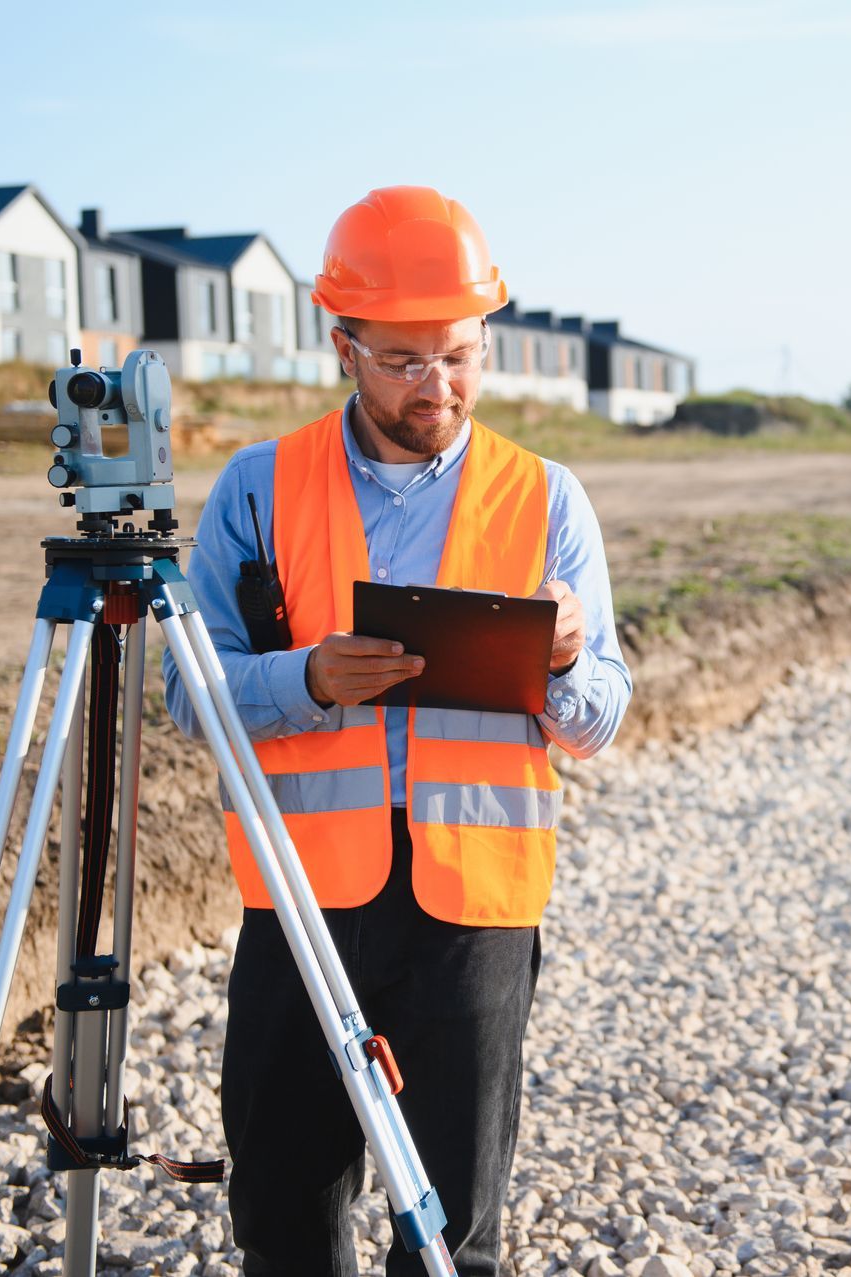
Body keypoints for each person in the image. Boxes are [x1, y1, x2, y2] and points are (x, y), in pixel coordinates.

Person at [162, 185, 631, 1275]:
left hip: (475, 911)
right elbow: (194, 695)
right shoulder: (257, 489)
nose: (441, 386)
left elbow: (601, 713)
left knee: (451, 1238)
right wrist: (307, 677)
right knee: (283, 1218)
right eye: (407, 362)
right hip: (301, 901)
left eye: (462, 357)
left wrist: (562, 662)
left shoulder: (546, 499)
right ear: (344, 346)